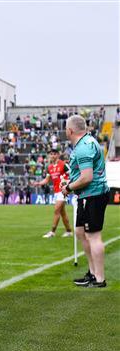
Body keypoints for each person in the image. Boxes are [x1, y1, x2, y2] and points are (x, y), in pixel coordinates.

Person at [62, 115, 109, 288]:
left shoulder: (83, 147)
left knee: (93, 236)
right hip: (86, 195)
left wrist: (68, 188)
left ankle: (100, 279)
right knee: (80, 232)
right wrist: (69, 183)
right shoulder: (87, 142)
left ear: (70, 130)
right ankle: (92, 272)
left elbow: (87, 177)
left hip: (92, 194)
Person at [31, 149, 73, 238]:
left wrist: (69, 185)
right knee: (62, 213)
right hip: (56, 192)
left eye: (54, 154)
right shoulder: (49, 167)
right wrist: (38, 183)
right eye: (51, 154)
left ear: (58, 155)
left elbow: (72, 174)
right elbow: (46, 180)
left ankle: (52, 232)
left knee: (56, 210)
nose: (52, 156)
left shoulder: (63, 164)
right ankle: (69, 231)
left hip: (63, 191)